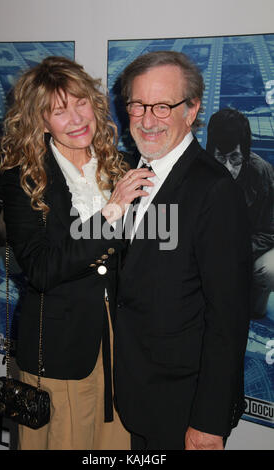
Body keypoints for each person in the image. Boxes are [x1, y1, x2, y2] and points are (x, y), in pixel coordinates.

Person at [0, 56, 151, 450]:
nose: (77, 118)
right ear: (40, 121)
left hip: (122, 346)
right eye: (59, 111)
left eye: (81, 102)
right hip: (60, 350)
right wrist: (112, 211)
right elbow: (42, 269)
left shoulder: (123, 165)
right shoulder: (22, 179)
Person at [111, 51, 252, 450]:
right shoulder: (131, 174)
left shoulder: (214, 190)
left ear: (191, 111)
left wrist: (208, 423)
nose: (148, 119)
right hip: (140, 397)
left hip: (184, 410)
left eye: (163, 105)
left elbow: (228, 319)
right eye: (138, 104)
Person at [206, 108, 274, 319]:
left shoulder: (261, 173)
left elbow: (269, 232)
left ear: (245, 154)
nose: (227, 167)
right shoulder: (196, 172)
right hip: (211, 249)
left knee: (268, 270)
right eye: (220, 158)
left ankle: (254, 313)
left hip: (252, 247)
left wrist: (237, 250)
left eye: (235, 159)